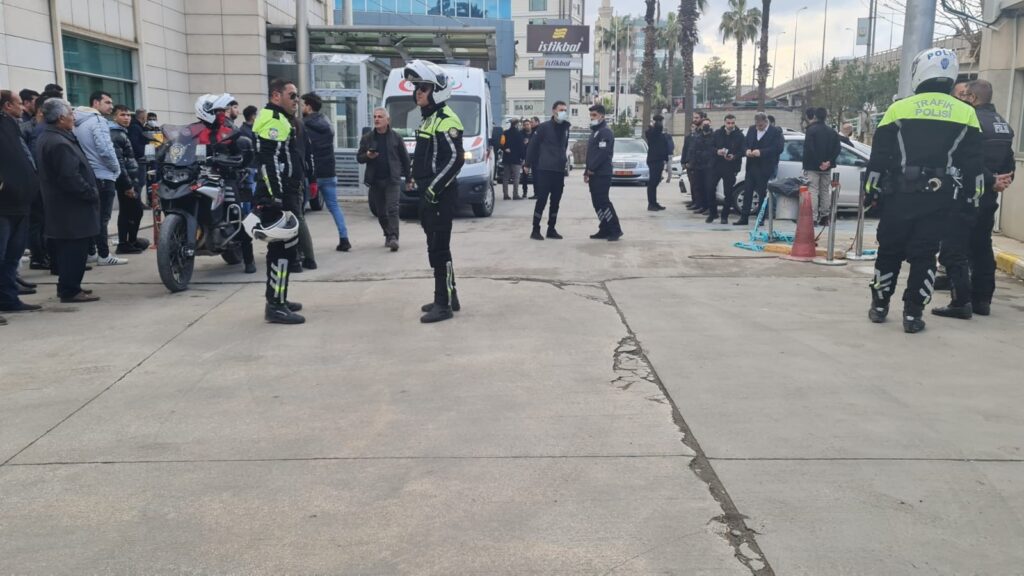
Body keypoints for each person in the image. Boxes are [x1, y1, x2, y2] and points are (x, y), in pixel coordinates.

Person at [864, 48, 983, 334]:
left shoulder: (898, 109)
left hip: (900, 196)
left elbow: (878, 159)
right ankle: (913, 314)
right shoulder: (967, 113)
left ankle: (880, 307)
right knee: (925, 255)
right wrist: (971, 202)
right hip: (940, 199)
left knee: (889, 251)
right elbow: (975, 170)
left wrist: (871, 194)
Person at [933, 79, 1015, 319]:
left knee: (953, 248)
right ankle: (982, 301)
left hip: (967, 194)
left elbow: (969, 160)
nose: (962, 99)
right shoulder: (1003, 124)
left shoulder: (971, 121)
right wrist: (1001, 181)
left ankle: (961, 302)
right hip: (989, 197)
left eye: (965, 95)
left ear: (972, 98)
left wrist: (990, 180)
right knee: (981, 247)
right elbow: (1009, 162)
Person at [405, 60, 466, 323]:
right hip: (428, 194)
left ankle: (443, 304)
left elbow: (455, 160)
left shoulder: (446, 120)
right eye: (417, 87)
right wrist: (412, 176)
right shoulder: (429, 119)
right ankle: (448, 294)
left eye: (424, 87)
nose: (418, 92)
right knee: (437, 247)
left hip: (439, 196)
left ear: (437, 90)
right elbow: (426, 157)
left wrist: (432, 189)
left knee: (439, 250)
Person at [35, 99, 101, 304]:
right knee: (74, 250)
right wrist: (90, 192)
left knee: (71, 250)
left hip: (65, 207)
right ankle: (70, 290)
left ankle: (71, 286)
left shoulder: (54, 137)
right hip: (71, 208)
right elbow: (69, 177)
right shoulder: (58, 142)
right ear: (61, 118)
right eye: (71, 114)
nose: (74, 117)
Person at [251, 79, 306, 324]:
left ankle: (279, 297)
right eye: (292, 95)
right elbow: (269, 162)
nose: (297, 101)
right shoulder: (273, 121)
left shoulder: (280, 119)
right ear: (276, 96)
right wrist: (276, 198)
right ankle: (275, 305)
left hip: (285, 193)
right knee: (281, 250)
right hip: (278, 197)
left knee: (286, 249)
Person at [73, 90, 126, 266]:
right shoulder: (98, 121)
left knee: (92, 216)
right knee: (102, 218)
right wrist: (116, 169)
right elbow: (105, 149)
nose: (111, 106)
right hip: (103, 174)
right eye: (107, 102)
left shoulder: (78, 123)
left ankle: (91, 252)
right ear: (96, 103)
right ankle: (104, 255)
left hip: (89, 174)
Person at [0, 90, 42, 313]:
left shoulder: (11, 124)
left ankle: (8, 300)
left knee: (11, 256)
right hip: (4, 204)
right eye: (18, 103)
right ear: (7, 105)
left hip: (21, 202)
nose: (22, 107)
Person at [302, 92, 351, 253]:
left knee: (299, 211)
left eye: (303, 105)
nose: (301, 107)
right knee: (334, 207)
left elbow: (303, 151)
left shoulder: (302, 125)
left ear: (309, 106)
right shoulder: (327, 124)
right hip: (329, 172)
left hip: (311, 174)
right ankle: (344, 239)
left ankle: (301, 246)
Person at [357, 106, 410, 251]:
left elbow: (405, 159)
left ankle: (394, 237)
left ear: (388, 120)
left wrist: (409, 178)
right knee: (381, 213)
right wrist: (367, 155)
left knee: (393, 209)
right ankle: (388, 233)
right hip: (375, 181)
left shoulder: (396, 137)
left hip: (392, 179)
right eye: (375, 117)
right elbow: (359, 158)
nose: (376, 119)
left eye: (380, 117)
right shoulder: (367, 138)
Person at [525, 101, 571, 240]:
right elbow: (532, 146)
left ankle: (551, 228)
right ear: (553, 111)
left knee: (555, 201)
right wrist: (527, 163)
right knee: (542, 200)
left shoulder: (566, 128)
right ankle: (535, 229)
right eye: (561, 109)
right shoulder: (544, 128)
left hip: (558, 170)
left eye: (565, 110)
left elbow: (565, 146)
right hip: (545, 169)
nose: (563, 112)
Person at [109, 104, 148, 254]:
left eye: (128, 115)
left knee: (133, 211)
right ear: (114, 117)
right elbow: (119, 162)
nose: (126, 118)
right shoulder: (116, 134)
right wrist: (127, 185)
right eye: (122, 115)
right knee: (131, 211)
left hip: (131, 178)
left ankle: (131, 241)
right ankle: (124, 243)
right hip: (126, 181)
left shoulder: (122, 132)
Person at [736, 112, 784, 226]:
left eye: (761, 125)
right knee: (748, 191)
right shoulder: (752, 129)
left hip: (765, 167)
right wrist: (746, 150)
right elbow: (745, 144)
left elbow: (778, 148)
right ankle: (744, 217)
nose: (759, 127)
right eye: (757, 125)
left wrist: (761, 152)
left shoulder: (775, 132)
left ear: (766, 122)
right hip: (751, 166)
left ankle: (760, 218)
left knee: (762, 193)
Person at [584, 104, 622, 241]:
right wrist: (586, 171)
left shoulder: (605, 132)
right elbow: (591, 154)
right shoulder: (594, 132)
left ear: (602, 116)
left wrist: (591, 169)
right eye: (591, 115)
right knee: (596, 202)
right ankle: (604, 227)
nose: (592, 118)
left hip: (602, 173)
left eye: (594, 115)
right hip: (593, 173)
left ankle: (615, 229)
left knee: (603, 201)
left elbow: (602, 154)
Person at [803, 107, 841, 226]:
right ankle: (825, 217)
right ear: (826, 116)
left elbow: (810, 148)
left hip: (812, 166)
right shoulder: (832, 132)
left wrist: (819, 162)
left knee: (813, 191)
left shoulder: (811, 130)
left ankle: (813, 218)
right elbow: (838, 148)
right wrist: (828, 162)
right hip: (827, 167)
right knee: (825, 191)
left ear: (815, 116)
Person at [710, 114, 746, 224]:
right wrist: (717, 151)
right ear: (724, 122)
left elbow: (743, 150)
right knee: (710, 188)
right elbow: (710, 147)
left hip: (730, 166)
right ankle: (713, 213)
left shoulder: (739, 135)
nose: (730, 125)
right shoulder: (717, 133)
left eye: (732, 123)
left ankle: (724, 216)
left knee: (728, 192)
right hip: (716, 165)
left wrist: (734, 156)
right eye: (728, 123)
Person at [683, 111, 708, 211]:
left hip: (702, 165)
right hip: (694, 164)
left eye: (697, 118)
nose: (694, 119)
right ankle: (698, 204)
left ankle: (703, 205)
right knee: (696, 186)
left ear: (702, 118)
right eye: (694, 117)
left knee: (702, 187)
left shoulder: (704, 132)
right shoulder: (694, 133)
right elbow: (689, 149)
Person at [644, 114, 669, 211]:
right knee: (652, 182)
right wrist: (654, 123)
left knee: (656, 182)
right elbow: (658, 128)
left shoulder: (659, 134)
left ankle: (654, 202)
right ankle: (651, 204)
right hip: (654, 160)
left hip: (659, 160)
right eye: (661, 121)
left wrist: (666, 159)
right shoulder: (652, 132)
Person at [501, 118, 525, 200]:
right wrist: (523, 158)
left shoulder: (505, 133)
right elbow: (522, 148)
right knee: (516, 178)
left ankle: (505, 195)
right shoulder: (519, 134)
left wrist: (505, 148)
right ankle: (515, 194)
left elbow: (501, 144)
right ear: (517, 124)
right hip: (516, 159)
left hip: (507, 158)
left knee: (505, 178)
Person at [521, 119, 534, 199]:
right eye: (525, 124)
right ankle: (524, 192)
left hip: (533, 157)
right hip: (525, 157)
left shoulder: (534, 133)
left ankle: (537, 192)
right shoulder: (521, 134)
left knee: (536, 175)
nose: (527, 126)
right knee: (525, 176)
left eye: (528, 124)